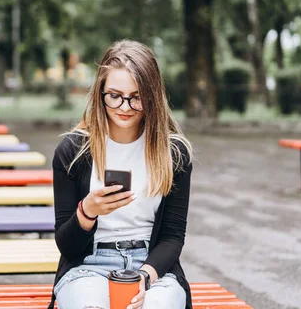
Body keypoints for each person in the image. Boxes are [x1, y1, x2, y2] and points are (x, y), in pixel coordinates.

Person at [49, 40, 194, 309]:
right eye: (114, 95)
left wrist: (145, 277)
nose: (125, 106)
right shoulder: (73, 152)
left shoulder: (174, 154)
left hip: (152, 268)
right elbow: (66, 247)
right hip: (88, 267)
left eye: (136, 97)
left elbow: (173, 237)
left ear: (152, 96)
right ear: (100, 93)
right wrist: (87, 212)